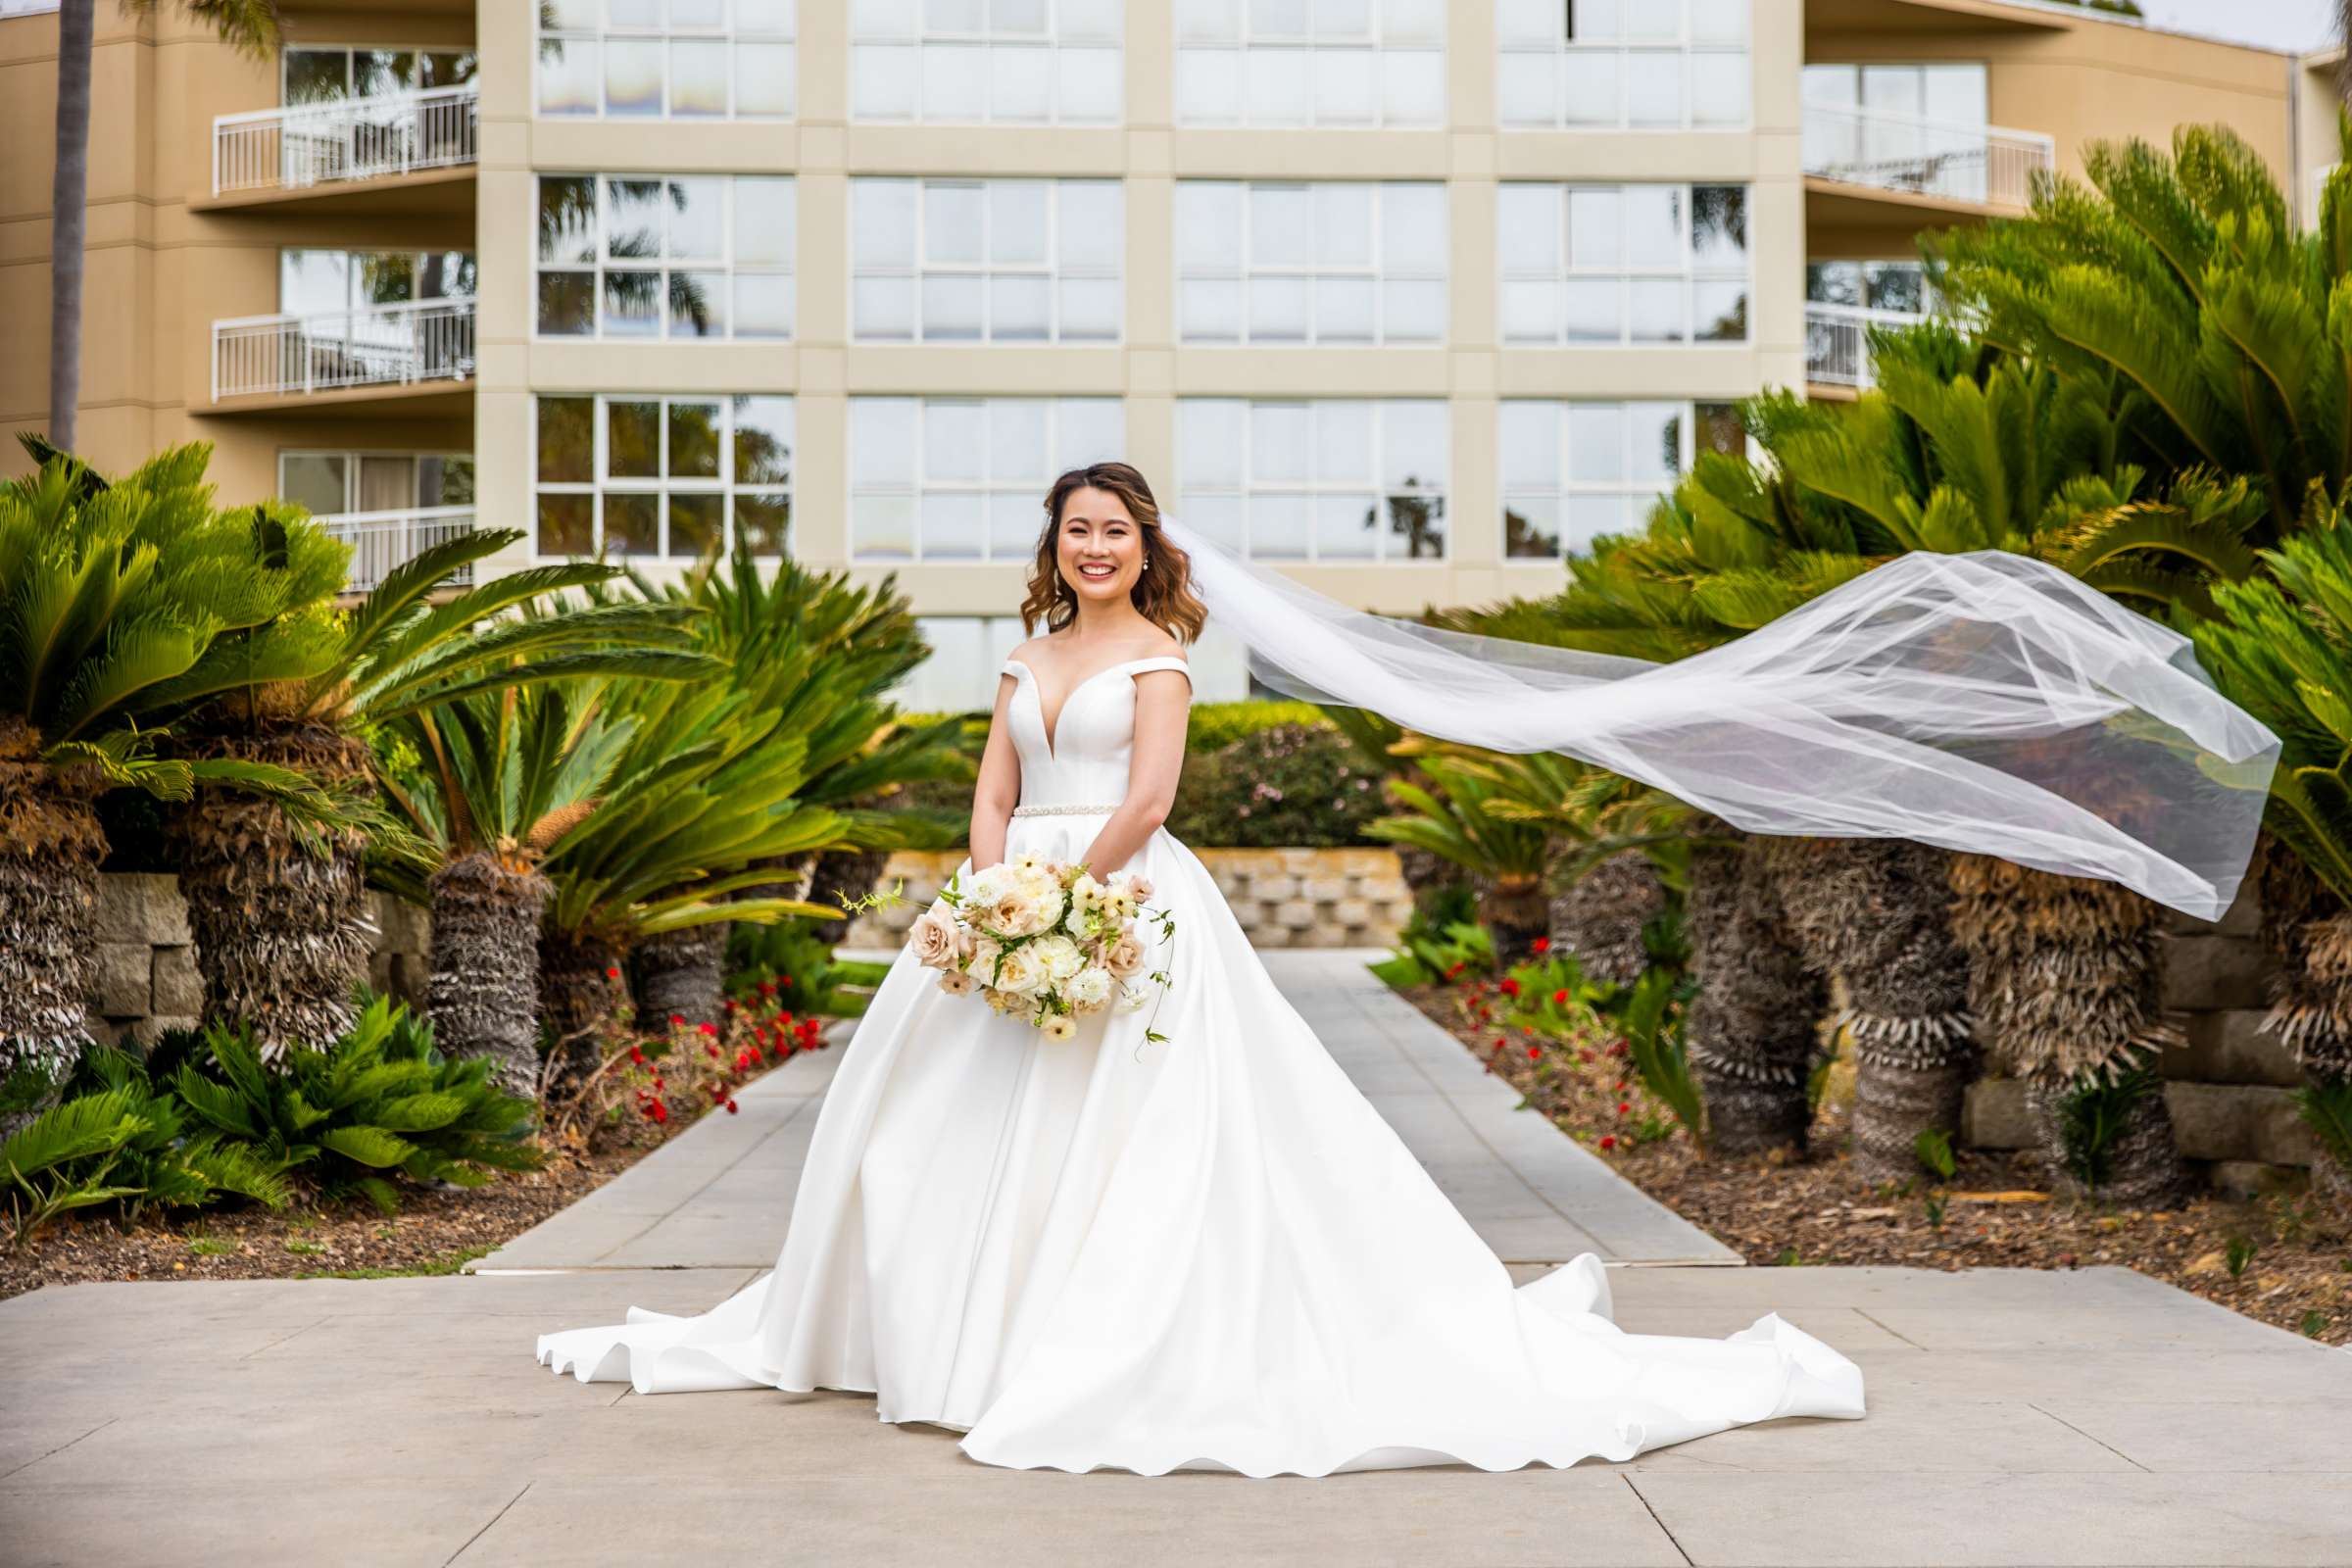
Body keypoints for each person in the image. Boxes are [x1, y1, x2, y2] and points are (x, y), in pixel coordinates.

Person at [535, 463, 1873, 1477]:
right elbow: (992, 786)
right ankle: (942, 1336)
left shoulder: (1161, 659)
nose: (1098, 547)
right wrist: (995, 888)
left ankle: (1090, 1339)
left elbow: (1153, 799)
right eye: (1079, 528)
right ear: (1054, 545)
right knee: (928, 1128)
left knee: (1122, 1133)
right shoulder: (1023, 656)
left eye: (1118, 530)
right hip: (1010, 900)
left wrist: (1069, 898)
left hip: (1125, 902)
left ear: (1145, 546)